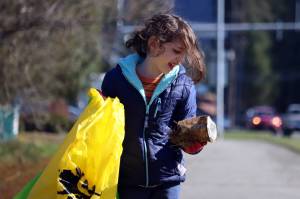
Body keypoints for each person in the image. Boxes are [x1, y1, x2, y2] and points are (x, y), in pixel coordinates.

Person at [101, 13, 207, 199]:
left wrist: (195, 141)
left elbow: (186, 136)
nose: (180, 60)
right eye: (176, 51)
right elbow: (103, 131)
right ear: (154, 44)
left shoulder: (183, 85)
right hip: (126, 180)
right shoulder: (116, 79)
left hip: (167, 180)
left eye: (183, 54)